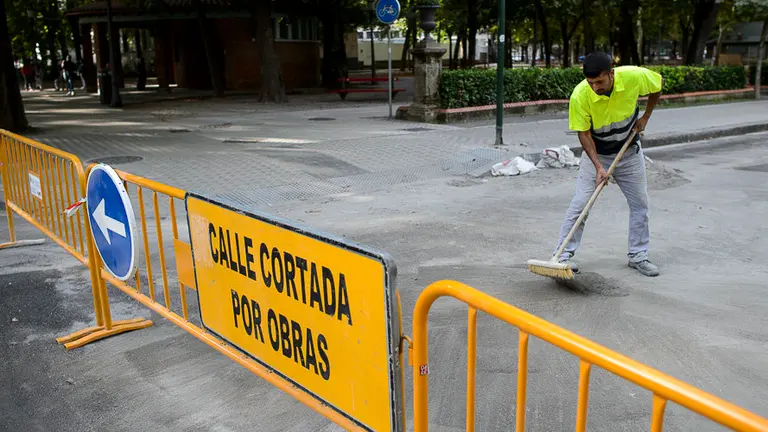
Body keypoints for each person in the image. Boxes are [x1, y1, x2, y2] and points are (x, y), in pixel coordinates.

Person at [554, 51, 662, 277]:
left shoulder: (634, 77)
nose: (595, 87)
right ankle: (562, 256)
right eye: (590, 82)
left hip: (629, 153)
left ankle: (638, 255)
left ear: (611, 74)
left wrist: (645, 117)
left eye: (600, 82)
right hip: (597, 155)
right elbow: (584, 134)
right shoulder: (580, 95)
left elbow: (657, 86)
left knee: (640, 205)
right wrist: (598, 167)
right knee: (580, 205)